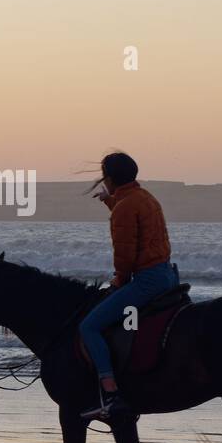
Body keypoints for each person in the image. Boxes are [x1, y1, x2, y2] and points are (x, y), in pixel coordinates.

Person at [79, 152, 179, 424]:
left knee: (89, 326)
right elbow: (135, 223)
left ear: (109, 178)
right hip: (167, 275)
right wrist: (109, 201)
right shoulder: (145, 198)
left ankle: (110, 394)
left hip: (147, 280)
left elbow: (124, 255)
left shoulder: (125, 207)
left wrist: (120, 280)